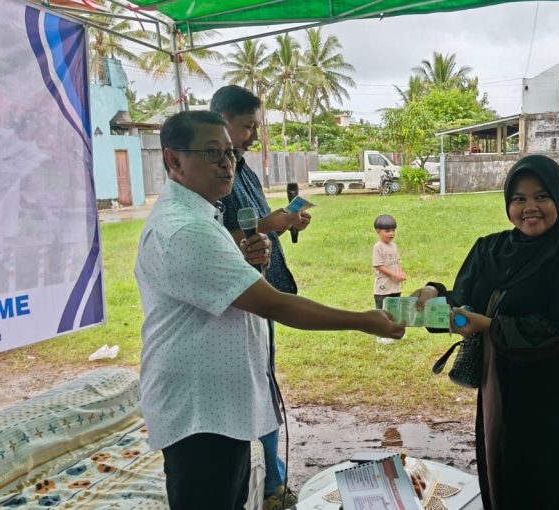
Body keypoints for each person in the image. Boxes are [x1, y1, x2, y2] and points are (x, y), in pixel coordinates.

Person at [135, 110, 404, 510]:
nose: (227, 164)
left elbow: (233, 295)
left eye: (230, 153)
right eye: (212, 153)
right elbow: (274, 303)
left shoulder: (201, 215)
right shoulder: (185, 229)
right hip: (200, 412)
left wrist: (250, 263)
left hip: (218, 405)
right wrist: (362, 320)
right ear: (174, 160)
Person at [409, 155, 559, 509]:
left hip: (548, 396)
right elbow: (464, 300)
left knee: (550, 483)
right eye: (519, 198)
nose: (530, 208)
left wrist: (487, 326)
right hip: (496, 387)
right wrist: (433, 294)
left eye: (541, 197)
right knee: (503, 474)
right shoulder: (490, 249)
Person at [210, 84, 308, 509]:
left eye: (256, 127)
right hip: (239, 298)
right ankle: (268, 483)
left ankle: (270, 477)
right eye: (247, 126)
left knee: (263, 382)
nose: (253, 135)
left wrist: (286, 222)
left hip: (263, 289)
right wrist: (268, 225)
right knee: (254, 388)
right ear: (222, 122)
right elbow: (213, 240)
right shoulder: (211, 179)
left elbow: (255, 227)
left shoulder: (243, 169)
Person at [373, 214, 406, 345]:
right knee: (383, 311)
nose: (391, 233)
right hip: (383, 287)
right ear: (378, 231)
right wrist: (393, 275)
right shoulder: (378, 246)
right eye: (387, 231)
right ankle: (381, 335)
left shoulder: (394, 246)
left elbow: (398, 262)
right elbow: (378, 265)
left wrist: (400, 273)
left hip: (395, 285)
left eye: (393, 230)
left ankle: (394, 332)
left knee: (395, 309)